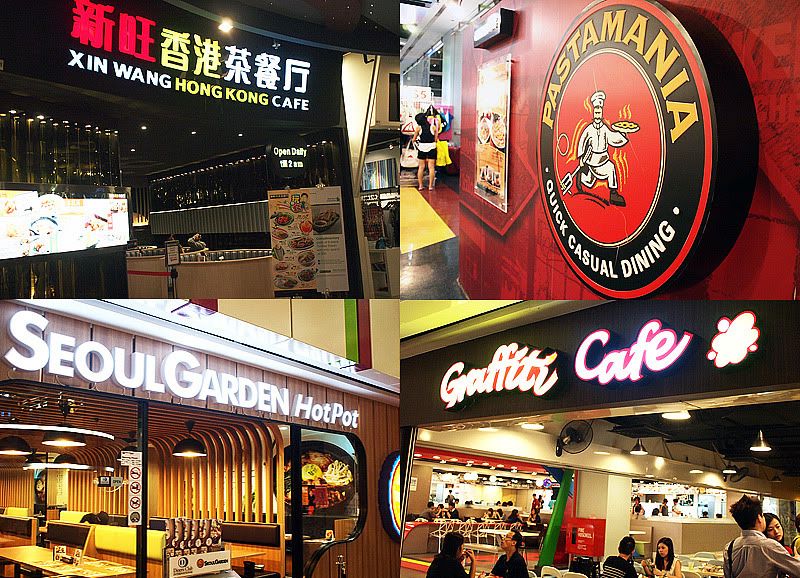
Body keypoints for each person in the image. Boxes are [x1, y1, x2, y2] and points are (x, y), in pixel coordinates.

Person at [575, 90, 630, 206]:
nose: (597, 115)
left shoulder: (604, 129)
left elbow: (613, 138)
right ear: (593, 113)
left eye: (599, 112)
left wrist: (623, 134)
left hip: (603, 161)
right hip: (591, 161)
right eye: (596, 112)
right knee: (590, 180)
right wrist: (581, 158)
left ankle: (613, 194)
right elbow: (582, 142)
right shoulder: (589, 129)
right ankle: (581, 177)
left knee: (609, 169)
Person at [723, 495, 800, 578]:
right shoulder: (770, 546)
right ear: (759, 518)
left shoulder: (729, 547)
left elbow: (727, 575)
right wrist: (797, 559)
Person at [414, 112, 439, 191]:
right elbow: (436, 139)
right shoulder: (433, 127)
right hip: (432, 147)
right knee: (431, 167)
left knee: (421, 167)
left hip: (422, 147)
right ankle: (430, 186)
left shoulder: (418, 128)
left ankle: (420, 186)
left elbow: (414, 139)